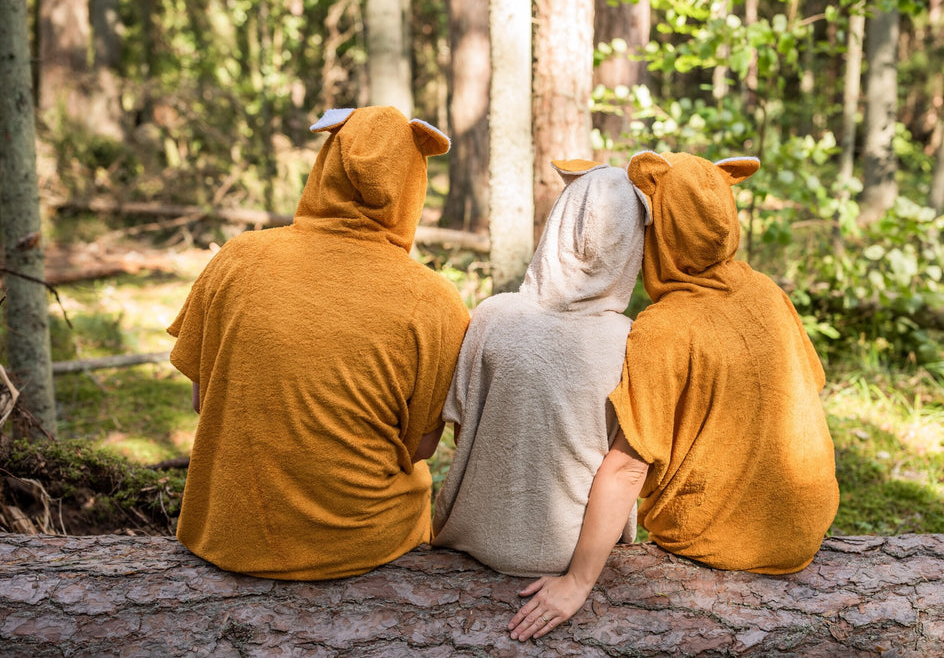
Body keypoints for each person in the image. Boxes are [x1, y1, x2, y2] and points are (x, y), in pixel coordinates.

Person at [508, 150, 840, 641]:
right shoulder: (767, 291)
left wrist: (577, 582)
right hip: (807, 528)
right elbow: (807, 387)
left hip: (722, 540)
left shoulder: (663, 328)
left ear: (661, 233)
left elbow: (629, 466)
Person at [166, 106, 469, 580]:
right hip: (364, 546)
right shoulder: (435, 301)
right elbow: (421, 448)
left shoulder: (239, 257)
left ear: (325, 166)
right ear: (412, 187)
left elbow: (204, 400)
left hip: (228, 536)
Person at [431, 160, 651, 612]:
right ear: (633, 246)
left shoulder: (492, 316)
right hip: (574, 556)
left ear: (556, 226)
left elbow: (463, 434)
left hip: (472, 541)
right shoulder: (634, 341)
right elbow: (630, 467)